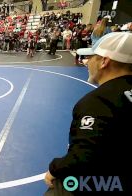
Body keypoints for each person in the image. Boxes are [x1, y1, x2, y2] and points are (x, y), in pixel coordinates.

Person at [44, 32, 132, 195]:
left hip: (109, 183)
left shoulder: (99, 101)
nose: (87, 62)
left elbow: (84, 155)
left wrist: (54, 169)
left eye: (92, 57)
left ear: (104, 61)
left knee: (61, 186)